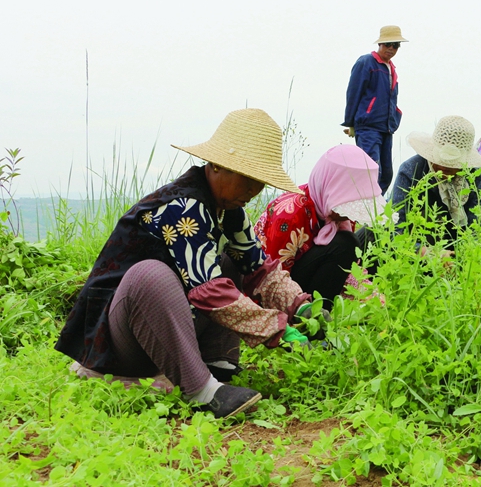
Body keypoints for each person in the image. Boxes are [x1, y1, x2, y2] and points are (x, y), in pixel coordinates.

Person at [55, 108, 311, 419]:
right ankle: (202, 389)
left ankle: (217, 363)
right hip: (119, 337)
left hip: (162, 329)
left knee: (230, 262)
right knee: (150, 276)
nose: (252, 191)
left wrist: (300, 306)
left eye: (259, 183)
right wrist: (273, 327)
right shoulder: (183, 207)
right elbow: (209, 291)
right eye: (247, 179)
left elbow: (258, 267)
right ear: (217, 165)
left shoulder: (228, 210)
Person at [254, 144, 388, 312]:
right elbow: (270, 278)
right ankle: (316, 314)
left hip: (307, 273)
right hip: (278, 285)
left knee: (369, 235)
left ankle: (332, 310)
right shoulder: (290, 214)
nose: (350, 214)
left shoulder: (339, 215)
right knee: (345, 244)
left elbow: (347, 265)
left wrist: (370, 293)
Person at [391, 116, 481, 249]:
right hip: (417, 246)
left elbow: (474, 225)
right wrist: (424, 251)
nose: (443, 167)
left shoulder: (473, 178)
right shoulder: (411, 170)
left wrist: (464, 252)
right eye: (440, 162)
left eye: (451, 165)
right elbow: (396, 227)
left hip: (456, 246)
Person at [342, 25, 408, 194]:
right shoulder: (366, 63)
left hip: (386, 128)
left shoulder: (391, 68)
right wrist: (351, 123)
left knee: (386, 174)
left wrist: (395, 117)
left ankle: (376, 205)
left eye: (396, 45)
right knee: (371, 171)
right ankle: (365, 205)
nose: (392, 48)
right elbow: (353, 93)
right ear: (380, 44)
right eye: (388, 44)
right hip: (368, 126)